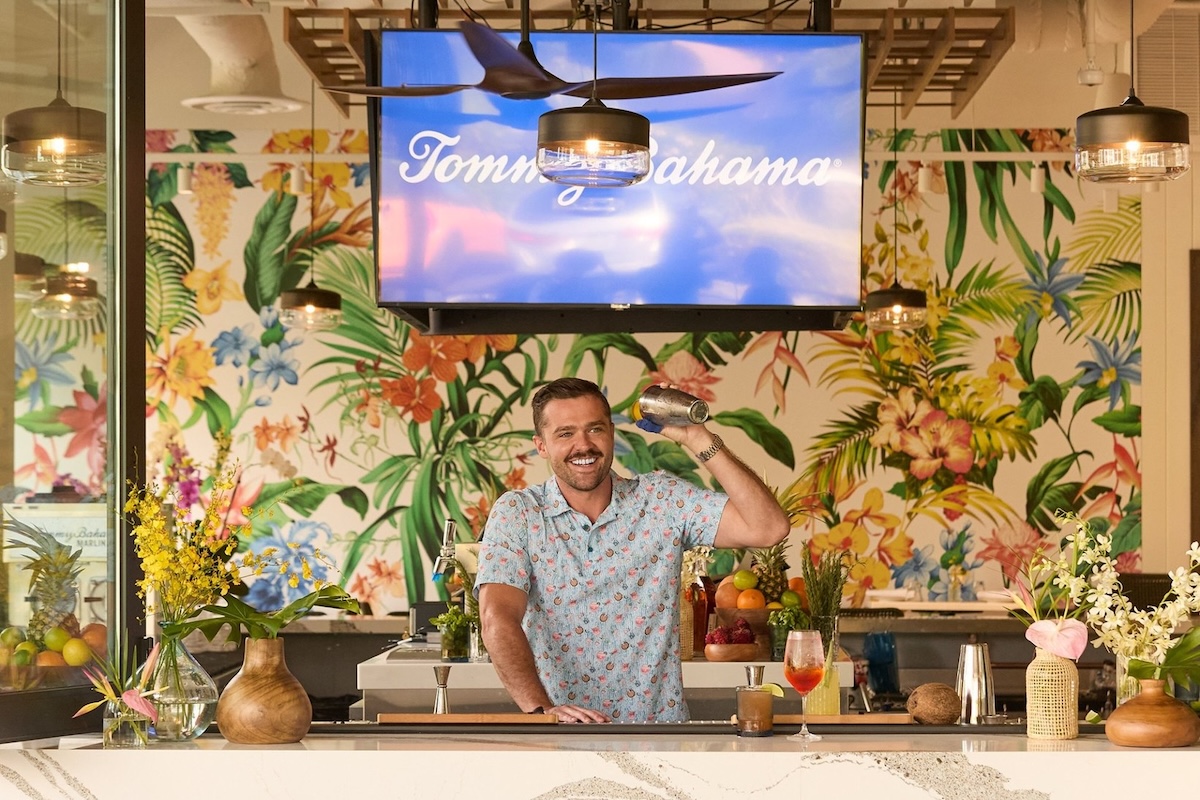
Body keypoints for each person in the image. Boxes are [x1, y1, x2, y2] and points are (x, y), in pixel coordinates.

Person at [475, 377, 790, 723]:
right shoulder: (519, 512)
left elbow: (769, 527)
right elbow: (498, 618)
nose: (583, 445)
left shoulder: (660, 500)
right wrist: (542, 712)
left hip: (660, 739)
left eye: (594, 429)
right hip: (561, 740)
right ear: (542, 446)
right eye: (565, 433)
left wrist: (696, 436)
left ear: (611, 433)